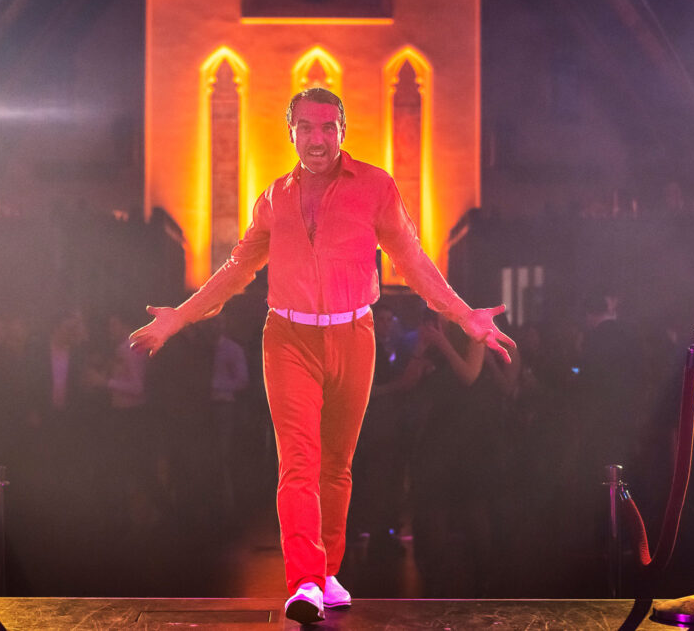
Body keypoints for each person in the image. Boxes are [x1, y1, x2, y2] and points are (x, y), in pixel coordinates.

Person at [129, 88, 515, 624]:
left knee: (337, 466)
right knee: (299, 464)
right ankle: (305, 580)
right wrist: (180, 316)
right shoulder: (272, 198)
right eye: (307, 127)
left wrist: (464, 314)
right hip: (287, 339)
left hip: (355, 334)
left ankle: (327, 571)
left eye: (328, 127)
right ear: (291, 133)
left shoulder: (376, 186)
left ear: (342, 131)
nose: (318, 138)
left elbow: (413, 259)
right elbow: (236, 271)